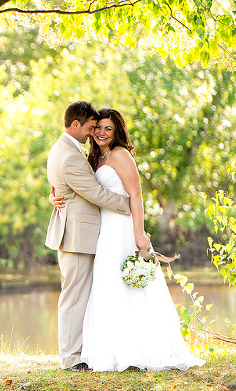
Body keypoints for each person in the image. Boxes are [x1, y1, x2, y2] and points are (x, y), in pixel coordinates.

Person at [50, 107, 204, 372]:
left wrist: (138, 232)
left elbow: (136, 195)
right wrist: (53, 196)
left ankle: (138, 348)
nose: (99, 132)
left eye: (107, 128)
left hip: (121, 226)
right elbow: (79, 186)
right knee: (106, 287)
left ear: (117, 131)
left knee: (130, 288)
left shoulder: (120, 155)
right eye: (96, 128)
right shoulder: (92, 156)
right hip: (101, 231)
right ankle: (105, 350)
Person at [45, 101, 132, 370]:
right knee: (74, 298)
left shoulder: (67, 148)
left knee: (81, 295)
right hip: (76, 235)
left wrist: (54, 195)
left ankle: (82, 352)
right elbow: (93, 192)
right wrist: (128, 204)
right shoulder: (69, 154)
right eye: (91, 127)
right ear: (75, 125)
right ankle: (71, 359)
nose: (93, 132)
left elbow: (66, 188)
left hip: (81, 232)